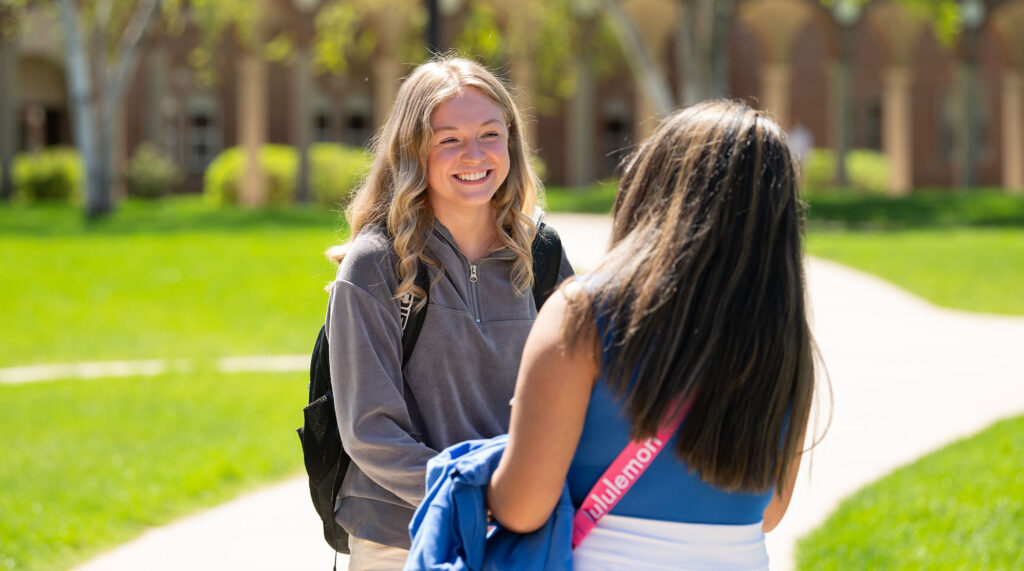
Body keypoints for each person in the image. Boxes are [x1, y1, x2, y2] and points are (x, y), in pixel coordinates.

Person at [486, 100, 817, 570]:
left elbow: (521, 508)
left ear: (656, 188)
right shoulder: (785, 337)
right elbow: (769, 512)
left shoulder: (582, 313)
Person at [323, 56, 573, 569]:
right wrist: (475, 499)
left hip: (517, 535)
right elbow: (370, 430)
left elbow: (581, 392)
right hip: (401, 538)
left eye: (490, 133)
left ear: (511, 141)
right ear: (413, 150)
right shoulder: (376, 266)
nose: (474, 154)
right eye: (449, 139)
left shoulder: (541, 255)